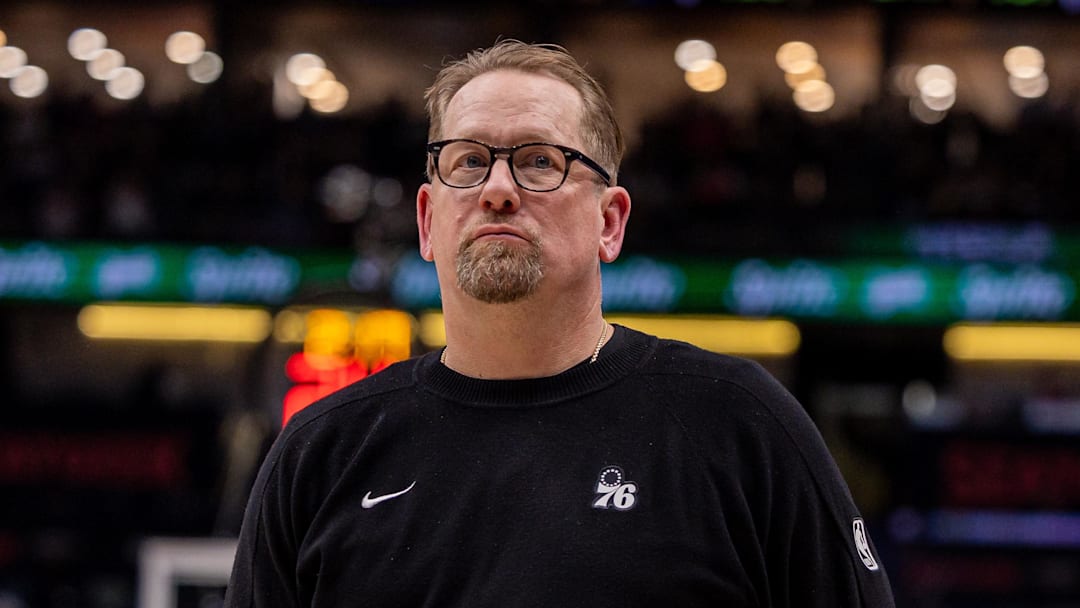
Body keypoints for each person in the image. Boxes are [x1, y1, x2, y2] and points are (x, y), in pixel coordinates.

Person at [225, 40, 895, 607]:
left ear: (610, 222)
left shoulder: (738, 423)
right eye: (469, 161)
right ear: (428, 221)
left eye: (540, 161)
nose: (498, 189)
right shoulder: (322, 452)